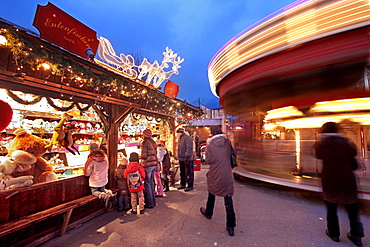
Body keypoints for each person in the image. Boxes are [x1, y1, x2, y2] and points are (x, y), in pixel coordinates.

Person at [315, 122, 364, 246]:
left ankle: (334, 233)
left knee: (331, 208)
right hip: (347, 179)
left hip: (330, 179)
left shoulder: (321, 144)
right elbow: (353, 152)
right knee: (352, 210)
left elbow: (318, 154)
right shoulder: (345, 143)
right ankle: (356, 235)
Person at [199, 125, 236, 236]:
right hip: (227, 174)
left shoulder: (210, 145)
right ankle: (231, 226)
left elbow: (209, 161)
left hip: (215, 173)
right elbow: (233, 154)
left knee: (212, 192)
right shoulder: (227, 142)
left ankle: (209, 212)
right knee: (228, 199)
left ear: (212, 133)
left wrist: (205, 154)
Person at [83, 143, 115, 209]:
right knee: (102, 189)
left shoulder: (91, 159)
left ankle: (105, 196)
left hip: (95, 181)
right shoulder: (104, 156)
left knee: (94, 192)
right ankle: (110, 194)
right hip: (104, 179)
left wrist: (87, 173)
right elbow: (107, 166)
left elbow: (87, 172)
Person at [140, 128, 158, 208]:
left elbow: (144, 155)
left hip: (148, 165)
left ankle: (149, 203)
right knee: (151, 182)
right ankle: (153, 201)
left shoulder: (145, 142)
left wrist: (139, 157)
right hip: (154, 164)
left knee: (147, 183)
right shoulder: (153, 142)